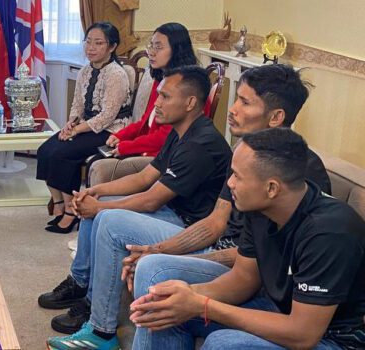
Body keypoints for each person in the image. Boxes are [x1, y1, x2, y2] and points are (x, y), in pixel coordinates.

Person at [46, 64, 332, 350]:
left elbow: (261, 262)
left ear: (276, 117)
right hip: (228, 254)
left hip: (241, 270)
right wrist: (154, 250)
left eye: (244, 102)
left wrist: (166, 260)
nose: (232, 109)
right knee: (125, 234)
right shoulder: (245, 154)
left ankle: (101, 332)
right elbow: (215, 222)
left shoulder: (299, 175)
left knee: (146, 261)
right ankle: (87, 300)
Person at [40, 65, 232, 348]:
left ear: (190, 102)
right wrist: (95, 191)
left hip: (191, 231)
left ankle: (101, 332)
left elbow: (153, 198)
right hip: (173, 215)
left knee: (109, 219)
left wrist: (100, 209)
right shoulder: (180, 132)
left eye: (165, 97)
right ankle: (80, 285)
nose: (157, 103)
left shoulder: (201, 143)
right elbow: (145, 177)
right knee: (102, 207)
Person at [130, 128, 365, 350]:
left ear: (271, 188)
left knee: (224, 344)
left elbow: (303, 333)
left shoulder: (329, 232)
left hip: (333, 339)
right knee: (163, 313)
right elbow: (243, 279)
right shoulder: (260, 208)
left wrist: (203, 305)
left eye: (238, 177)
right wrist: (186, 296)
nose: (229, 183)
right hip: (282, 311)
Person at [36, 22, 133, 234]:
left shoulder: (116, 74)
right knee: (45, 151)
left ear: (112, 47)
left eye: (98, 43)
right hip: (84, 127)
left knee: (62, 154)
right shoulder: (86, 70)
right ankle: (59, 204)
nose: (91, 47)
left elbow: (108, 116)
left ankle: (72, 212)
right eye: (88, 42)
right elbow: (77, 105)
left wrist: (77, 131)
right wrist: (70, 124)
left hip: (110, 131)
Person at [87, 22, 196, 186]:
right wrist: (120, 136)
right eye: (151, 45)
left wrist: (127, 146)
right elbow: (145, 121)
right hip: (150, 148)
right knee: (97, 158)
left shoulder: (185, 86)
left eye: (158, 47)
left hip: (164, 156)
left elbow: (166, 137)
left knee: (98, 165)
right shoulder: (162, 78)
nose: (150, 52)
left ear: (177, 50)